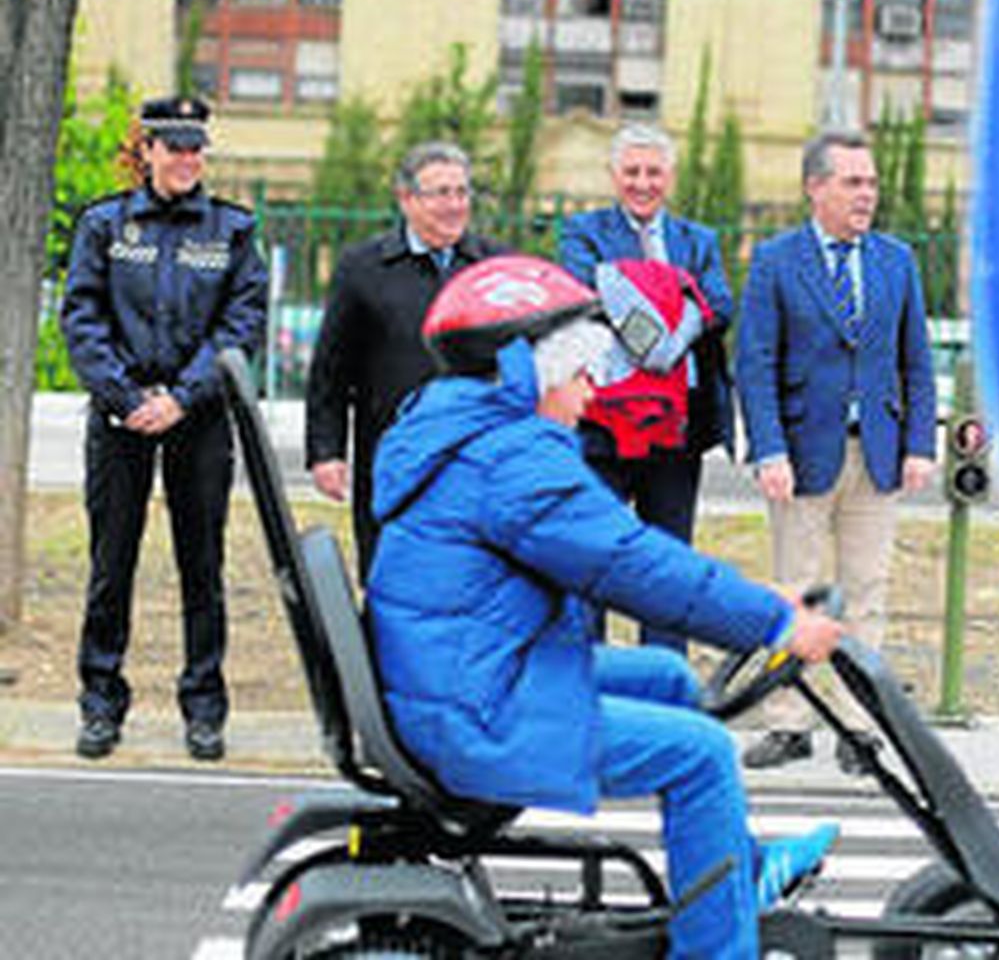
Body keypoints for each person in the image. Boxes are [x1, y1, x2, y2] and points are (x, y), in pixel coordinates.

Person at [365, 255, 843, 960]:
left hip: (459, 675)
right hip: (474, 708)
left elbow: (628, 553)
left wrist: (756, 602)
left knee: (670, 678)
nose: (594, 391)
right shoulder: (512, 459)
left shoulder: (459, 429)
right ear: (532, 370)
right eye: (583, 370)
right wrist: (773, 624)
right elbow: (630, 565)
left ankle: (738, 871)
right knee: (705, 754)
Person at [60, 96, 268, 761]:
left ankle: (203, 708)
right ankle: (100, 704)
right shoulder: (105, 225)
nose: (187, 160)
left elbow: (242, 325)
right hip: (121, 419)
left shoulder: (231, 230)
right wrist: (127, 397)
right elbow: (82, 318)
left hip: (198, 420)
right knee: (110, 566)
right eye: (174, 147)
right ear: (146, 151)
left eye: (197, 148)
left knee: (201, 567)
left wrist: (181, 397)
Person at [735, 129, 938, 774]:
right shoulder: (776, 261)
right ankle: (789, 724)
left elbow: (917, 360)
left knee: (868, 590)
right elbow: (755, 363)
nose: (867, 194)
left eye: (871, 182)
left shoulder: (895, 260)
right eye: (852, 182)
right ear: (814, 187)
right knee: (796, 591)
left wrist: (919, 442)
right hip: (800, 456)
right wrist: (768, 449)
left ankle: (859, 727)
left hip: (876, 454)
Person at [559, 123, 737, 653]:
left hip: (677, 432)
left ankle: (663, 682)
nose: (643, 182)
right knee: (594, 555)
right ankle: (589, 680)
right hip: (601, 428)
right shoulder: (583, 231)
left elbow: (720, 305)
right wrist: (654, 343)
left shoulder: (697, 240)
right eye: (632, 171)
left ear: (670, 176)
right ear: (614, 176)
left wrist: (673, 337)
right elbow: (585, 294)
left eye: (653, 171)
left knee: (666, 562)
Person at [304, 141, 505, 579]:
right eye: (440, 194)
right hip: (391, 457)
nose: (454, 206)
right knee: (389, 580)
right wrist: (326, 451)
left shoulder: (496, 266)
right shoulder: (362, 268)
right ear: (406, 198)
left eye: (461, 192)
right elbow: (330, 371)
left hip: (475, 456)